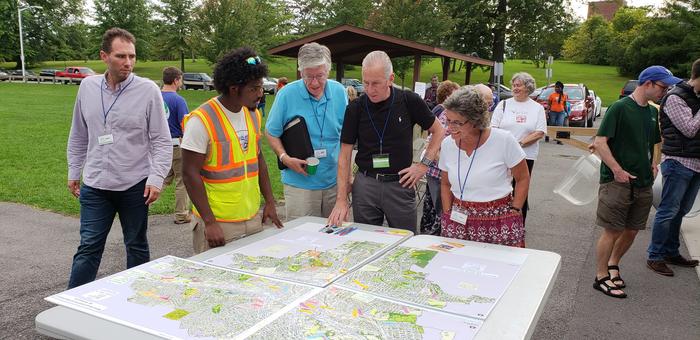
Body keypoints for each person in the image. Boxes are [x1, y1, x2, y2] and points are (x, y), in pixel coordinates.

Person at [66, 28, 172, 288]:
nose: (128, 63)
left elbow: (161, 139)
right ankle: (71, 303)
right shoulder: (87, 86)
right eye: (121, 56)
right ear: (104, 56)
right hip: (95, 184)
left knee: (136, 245)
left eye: (132, 56)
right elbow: (78, 133)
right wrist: (73, 171)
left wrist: (156, 178)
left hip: (134, 184)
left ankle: (138, 299)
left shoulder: (147, 90)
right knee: (89, 246)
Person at [328, 51, 444, 231]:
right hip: (366, 184)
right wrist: (341, 200)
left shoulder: (408, 100)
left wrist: (423, 166)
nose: (370, 89)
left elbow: (438, 130)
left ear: (390, 79)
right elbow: (344, 155)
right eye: (366, 83)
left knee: (405, 240)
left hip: (400, 183)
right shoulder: (356, 108)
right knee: (366, 241)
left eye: (376, 83)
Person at [181, 47, 283, 254]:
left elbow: (258, 160)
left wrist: (270, 202)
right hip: (219, 224)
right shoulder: (201, 120)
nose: (260, 94)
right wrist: (209, 222)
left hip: (251, 217)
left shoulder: (252, 114)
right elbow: (189, 173)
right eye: (254, 89)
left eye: (261, 87)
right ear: (234, 88)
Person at [590, 65, 670, 298]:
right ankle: (601, 276)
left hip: (643, 181)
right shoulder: (619, 108)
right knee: (612, 230)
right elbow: (601, 142)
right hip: (617, 181)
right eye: (662, 87)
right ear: (648, 83)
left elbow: (653, 142)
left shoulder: (652, 111)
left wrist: (654, 162)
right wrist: (617, 170)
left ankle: (614, 264)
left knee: (633, 230)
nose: (664, 91)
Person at [438, 86, 530, 246]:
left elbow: (522, 178)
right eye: (448, 120)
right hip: (458, 220)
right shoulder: (447, 145)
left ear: (475, 120)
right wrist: (447, 213)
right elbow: (445, 184)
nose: (449, 128)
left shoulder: (503, 140)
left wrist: (515, 210)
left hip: (499, 221)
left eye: (457, 123)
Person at [265, 43, 348, 220]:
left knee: (336, 239)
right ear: (300, 72)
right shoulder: (286, 94)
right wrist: (284, 158)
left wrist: (347, 176)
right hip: (300, 187)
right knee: (302, 241)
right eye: (308, 76)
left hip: (334, 183)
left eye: (320, 75)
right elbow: (271, 132)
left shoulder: (340, 92)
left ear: (329, 70)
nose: (315, 83)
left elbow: (346, 137)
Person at [647, 61, 700, 276]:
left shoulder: (695, 98)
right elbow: (689, 129)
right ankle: (655, 256)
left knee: (682, 210)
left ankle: (671, 251)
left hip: (695, 163)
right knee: (668, 211)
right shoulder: (676, 97)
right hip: (678, 162)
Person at [490, 72, 546, 225]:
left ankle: (519, 224)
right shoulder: (504, 104)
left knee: (520, 189)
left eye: (518, 85)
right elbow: (493, 127)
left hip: (525, 155)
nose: (515, 88)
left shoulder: (537, 108)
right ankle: (499, 221)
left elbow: (540, 132)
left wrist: (517, 145)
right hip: (501, 155)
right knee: (501, 188)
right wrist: (506, 146)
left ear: (528, 87)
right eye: (514, 85)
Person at [420, 80, 460, 235]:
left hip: (437, 170)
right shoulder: (444, 112)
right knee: (440, 207)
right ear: (449, 95)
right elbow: (434, 140)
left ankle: (432, 233)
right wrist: (440, 159)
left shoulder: (443, 110)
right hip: (437, 171)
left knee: (434, 206)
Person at [161, 66, 191, 225]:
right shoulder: (178, 100)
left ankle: (139, 207)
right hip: (176, 145)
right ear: (176, 80)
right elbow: (185, 124)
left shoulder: (155, 96)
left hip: (159, 146)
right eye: (180, 79)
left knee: (161, 179)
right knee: (181, 180)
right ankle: (181, 214)